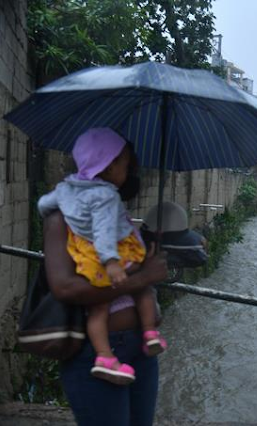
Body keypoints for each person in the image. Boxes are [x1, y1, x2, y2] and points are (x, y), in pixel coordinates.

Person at [43, 138, 168, 425]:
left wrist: (145, 262)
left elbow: (127, 272)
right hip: (96, 351)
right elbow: (65, 287)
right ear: (107, 166)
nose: (132, 171)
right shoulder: (63, 218)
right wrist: (143, 279)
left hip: (140, 348)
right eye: (127, 163)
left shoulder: (117, 215)